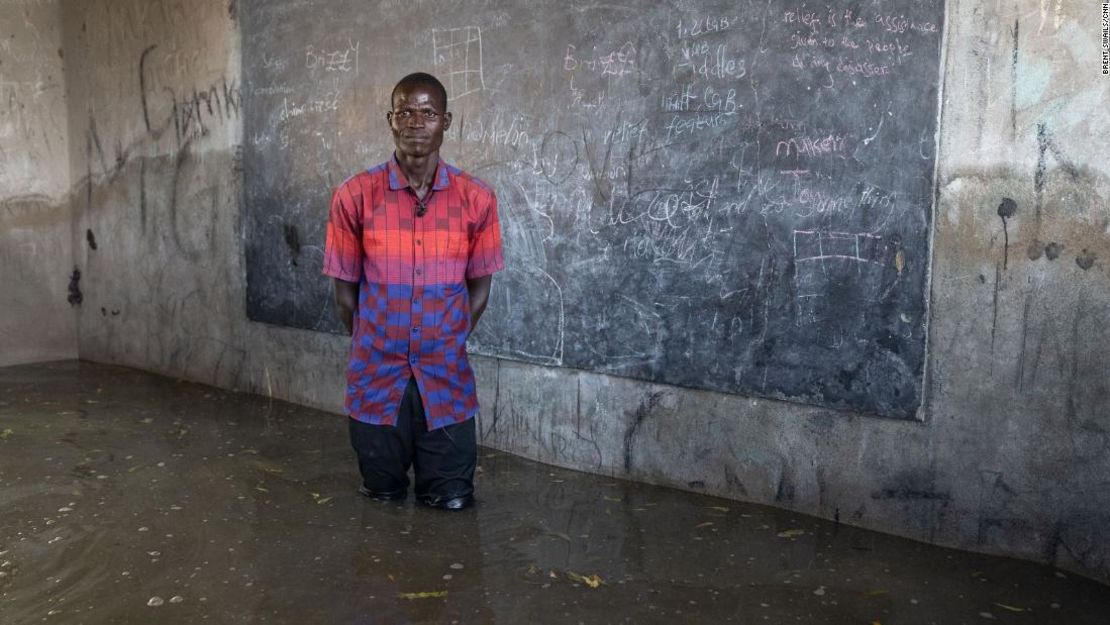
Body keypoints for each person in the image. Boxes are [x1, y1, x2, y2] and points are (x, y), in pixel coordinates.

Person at [322, 72, 504, 510]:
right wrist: (381, 339)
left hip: (447, 384)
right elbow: (345, 297)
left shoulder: (477, 199)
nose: (416, 122)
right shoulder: (354, 196)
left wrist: (443, 338)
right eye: (405, 111)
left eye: (428, 112)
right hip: (376, 383)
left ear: (447, 121)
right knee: (381, 499)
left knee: (452, 503)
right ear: (390, 120)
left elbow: (479, 291)